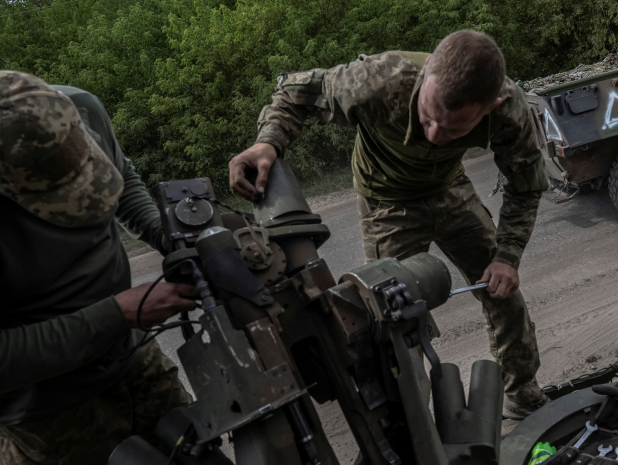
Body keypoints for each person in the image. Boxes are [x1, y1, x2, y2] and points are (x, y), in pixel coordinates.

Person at [228, 30, 550, 418]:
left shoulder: (509, 110)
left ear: (489, 108)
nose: (435, 135)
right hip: (386, 205)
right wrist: (268, 142)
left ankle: (523, 398)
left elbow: (526, 185)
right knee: (393, 322)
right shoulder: (380, 80)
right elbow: (293, 93)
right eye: (428, 116)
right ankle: (415, 427)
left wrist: (508, 256)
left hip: (450, 190)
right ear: (426, 72)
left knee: (502, 292)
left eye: (453, 129)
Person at [0, 70, 197, 464]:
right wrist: (117, 314)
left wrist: (164, 234)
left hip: (135, 361)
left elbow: (122, 178)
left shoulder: (77, 107)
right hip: (46, 417)